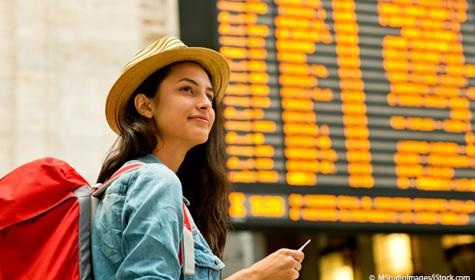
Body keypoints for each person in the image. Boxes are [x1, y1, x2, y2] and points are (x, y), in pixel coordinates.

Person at [92, 35, 304, 279]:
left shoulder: (136, 182)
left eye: (209, 96)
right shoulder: (156, 181)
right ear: (145, 106)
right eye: (187, 89)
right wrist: (254, 276)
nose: (205, 104)